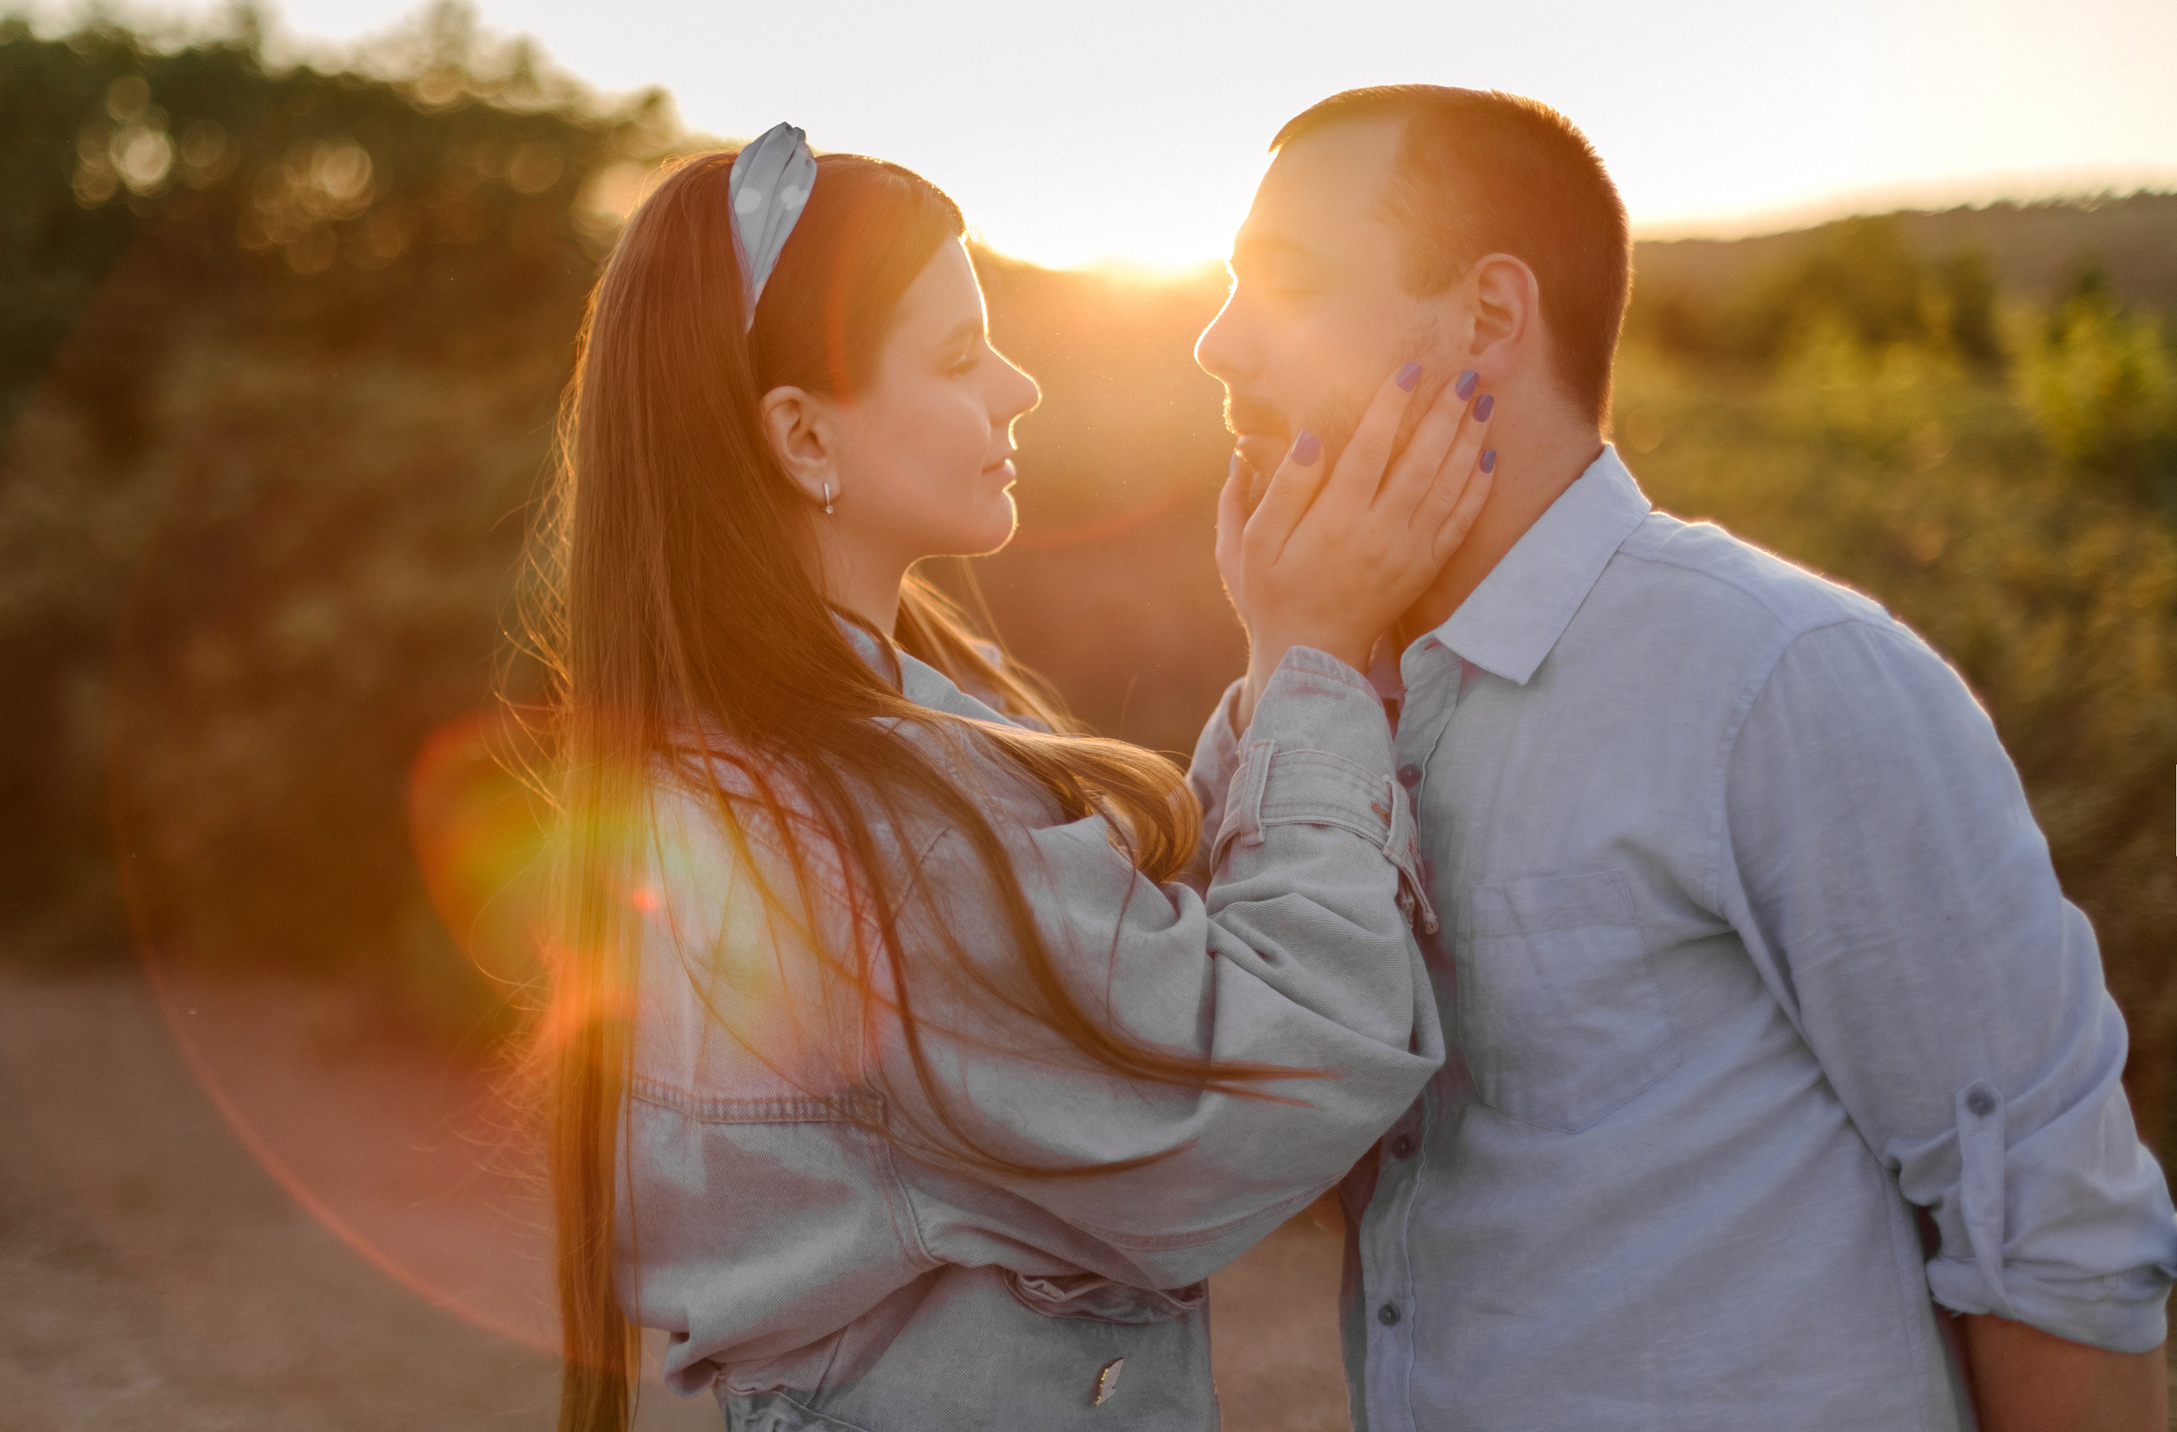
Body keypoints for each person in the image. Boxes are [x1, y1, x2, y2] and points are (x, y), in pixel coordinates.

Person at [1193, 84, 2177, 1431]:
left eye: (1282, 285)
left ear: (1487, 317)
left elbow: (2053, 1241)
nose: (1215, 343)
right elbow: (1245, 1151)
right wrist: (1286, 667)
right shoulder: (1293, 706)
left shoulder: (1781, 676)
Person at [525, 125, 1498, 1432]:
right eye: (956, 355)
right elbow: (1274, 1074)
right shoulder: (873, 811)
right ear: (803, 433)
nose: (1018, 386)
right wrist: (1318, 659)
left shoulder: (747, 758)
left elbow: (1125, 971)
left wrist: (1281, 665)